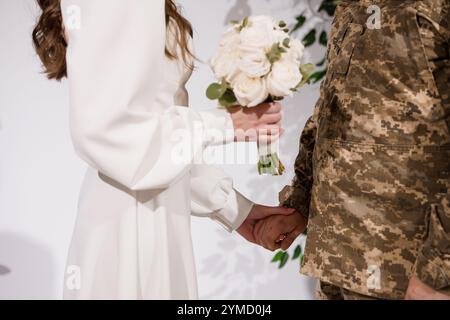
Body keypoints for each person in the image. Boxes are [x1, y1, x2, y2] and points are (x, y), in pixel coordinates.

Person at [33, 0, 305, 299]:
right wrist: (225, 124)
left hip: (155, 209)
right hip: (127, 222)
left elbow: (153, 139)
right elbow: (104, 130)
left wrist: (234, 209)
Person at [271, 0, 450, 300]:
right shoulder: (352, 5)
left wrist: (438, 270)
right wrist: (300, 202)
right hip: (335, 261)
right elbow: (331, 108)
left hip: (408, 272)